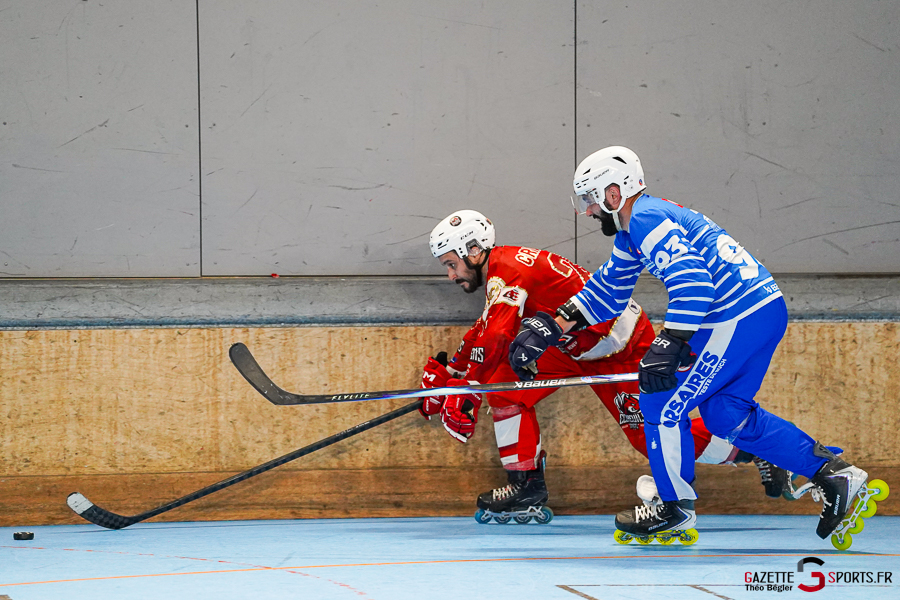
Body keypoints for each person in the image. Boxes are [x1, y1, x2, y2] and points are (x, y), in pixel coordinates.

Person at [507, 146, 869, 541]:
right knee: (724, 413)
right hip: (758, 309)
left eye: (590, 200)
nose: (589, 211)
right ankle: (833, 475)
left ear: (613, 194)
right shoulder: (638, 225)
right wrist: (550, 326)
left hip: (737, 315)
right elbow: (608, 290)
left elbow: (695, 285)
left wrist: (670, 342)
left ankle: (673, 506)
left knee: (661, 398)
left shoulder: (645, 220)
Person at [421, 209, 785, 522]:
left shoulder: (506, 270)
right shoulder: (504, 266)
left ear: (473, 250)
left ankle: (755, 451)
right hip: (571, 348)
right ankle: (526, 486)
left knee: (647, 435)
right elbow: (486, 327)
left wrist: (466, 390)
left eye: (451, 264)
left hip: (620, 349)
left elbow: (497, 336)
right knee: (505, 389)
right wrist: (453, 373)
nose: (451, 276)